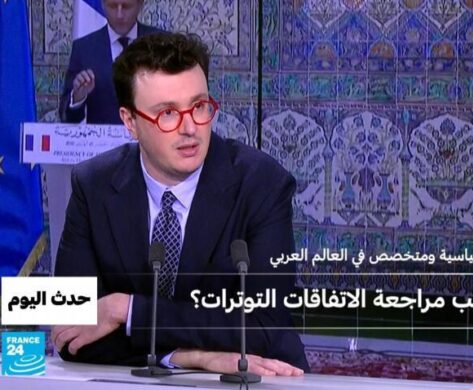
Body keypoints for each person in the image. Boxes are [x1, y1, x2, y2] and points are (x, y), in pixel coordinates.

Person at [53, 32, 308, 376]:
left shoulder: (262, 184)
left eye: (199, 106)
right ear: (130, 122)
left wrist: (127, 311)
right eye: (168, 113)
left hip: (250, 380)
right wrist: (189, 357)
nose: (190, 128)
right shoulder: (92, 185)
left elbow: (265, 327)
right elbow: (69, 332)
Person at [59, 0, 164, 124]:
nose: (119, 15)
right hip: (103, 139)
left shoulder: (161, 44)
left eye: (126, 6)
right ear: (102, 3)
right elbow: (67, 117)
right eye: (113, 6)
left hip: (150, 137)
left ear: (140, 4)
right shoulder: (84, 49)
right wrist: (78, 97)